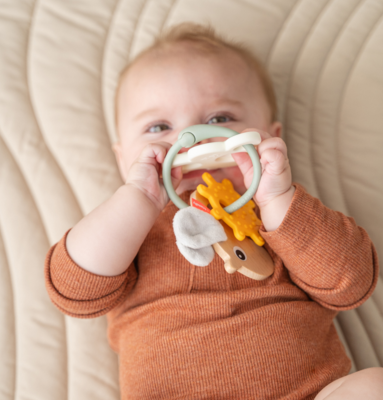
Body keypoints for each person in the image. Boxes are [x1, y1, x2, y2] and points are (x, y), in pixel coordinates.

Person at [44, 23, 382, 399]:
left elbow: (353, 283)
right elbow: (72, 291)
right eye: (160, 126)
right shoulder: (133, 228)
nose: (192, 139)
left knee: (374, 385)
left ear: (271, 137)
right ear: (124, 157)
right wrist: (135, 200)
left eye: (220, 119)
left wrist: (280, 200)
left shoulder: (281, 216)